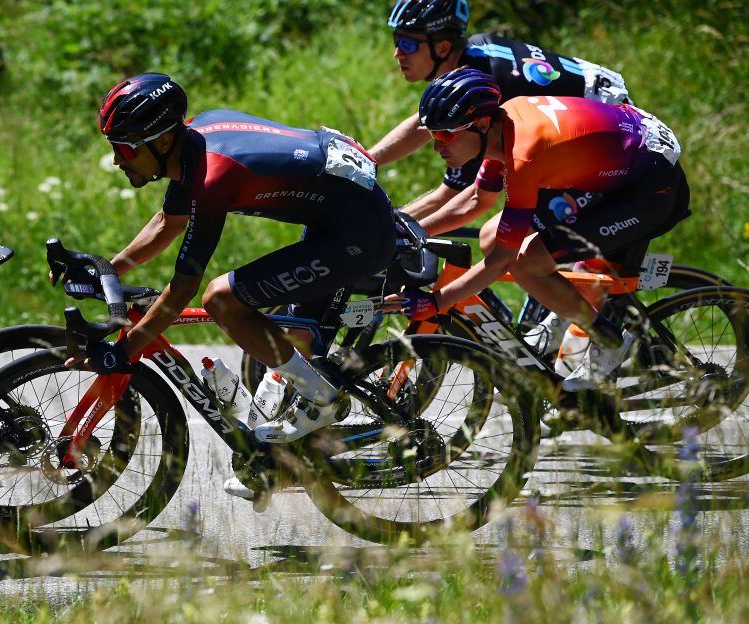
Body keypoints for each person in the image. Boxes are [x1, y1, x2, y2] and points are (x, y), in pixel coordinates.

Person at [81, 73, 397, 444]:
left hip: (358, 235)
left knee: (221, 299)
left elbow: (184, 288)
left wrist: (125, 351)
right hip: (339, 216)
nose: (117, 160)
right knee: (290, 351)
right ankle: (281, 460)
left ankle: (324, 400)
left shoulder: (213, 179)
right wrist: (106, 270)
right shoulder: (195, 137)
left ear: (163, 140)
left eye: (126, 148)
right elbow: (168, 222)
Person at [383, 68, 689, 390]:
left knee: (525, 260)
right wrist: (408, 229)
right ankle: (566, 304)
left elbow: (504, 258)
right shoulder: (502, 128)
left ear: (482, 124)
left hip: (649, 186)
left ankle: (609, 340)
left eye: (446, 135)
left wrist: (436, 302)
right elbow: (475, 200)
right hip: (621, 158)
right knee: (490, 236)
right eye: (434, 135)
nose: (437, 147)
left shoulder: (523, 155)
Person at [369, 0, 634, 355]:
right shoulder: (469, 68)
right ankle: (551, 315)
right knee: (503, 233)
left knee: (499, 238)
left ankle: (562, 320)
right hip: (580, 123)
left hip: (613, 138)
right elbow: (425, 122)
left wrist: (395, 232)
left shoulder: (491, 88)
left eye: (408, 43)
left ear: (442, 46)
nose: (398, 53)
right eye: (396, 42)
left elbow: (459, 195)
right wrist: (366, 159)